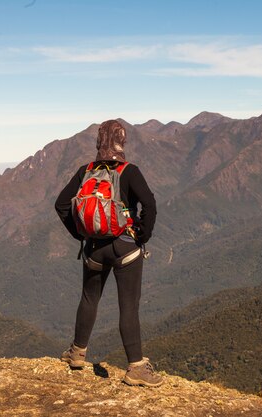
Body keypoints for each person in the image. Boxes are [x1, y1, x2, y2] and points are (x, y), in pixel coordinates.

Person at [54, 119, 162, 387]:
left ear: (99, 142)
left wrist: (80, 233)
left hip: (94, 249)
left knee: (89, 298)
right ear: (121, 142)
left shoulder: (86, 171)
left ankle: (76, 354)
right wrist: (141, 235)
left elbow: (61, 204)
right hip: (125, 248)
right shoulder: (129, 171)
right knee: (128, 306)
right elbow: (149, 204)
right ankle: (136, 368)